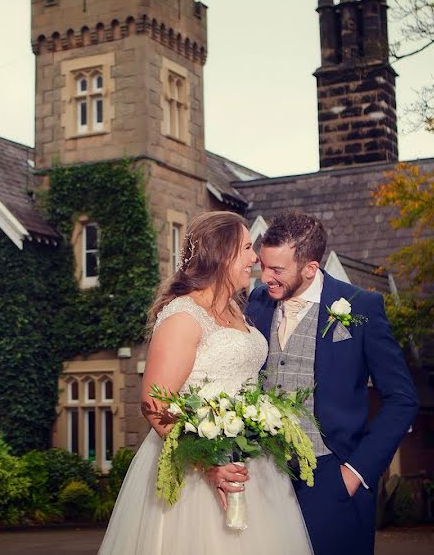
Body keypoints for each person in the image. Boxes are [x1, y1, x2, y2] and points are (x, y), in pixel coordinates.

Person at [98, 211, 314, 555]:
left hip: (252, 462)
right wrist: (207, 463)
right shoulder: (183, 317)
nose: (254, 258)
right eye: (245, 248)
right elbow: (155, 403)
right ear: (221, 254)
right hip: (194, 470)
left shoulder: (234, 308)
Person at [234, 211, 419, 554]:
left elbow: (403, 399)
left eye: (277, 270)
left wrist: (355, 472)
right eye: (263, 265)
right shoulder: (256, 302)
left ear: (310, 268)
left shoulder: (361, 307)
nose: (265, 277)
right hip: (263, 479)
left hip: (332, 477)